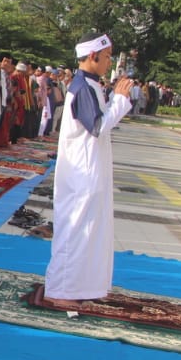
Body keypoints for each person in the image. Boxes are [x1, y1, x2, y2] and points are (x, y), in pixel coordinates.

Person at [44, 32, 134, 306]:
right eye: (107, 58)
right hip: (81, 171)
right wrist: (120, 100)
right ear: (93, 56)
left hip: (91, 168)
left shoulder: (91, 85)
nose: (109, 63)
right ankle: (60, 291)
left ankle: (83, 287)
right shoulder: (82, 87)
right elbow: (97, 127)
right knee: (75, 230)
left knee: (92, 228)